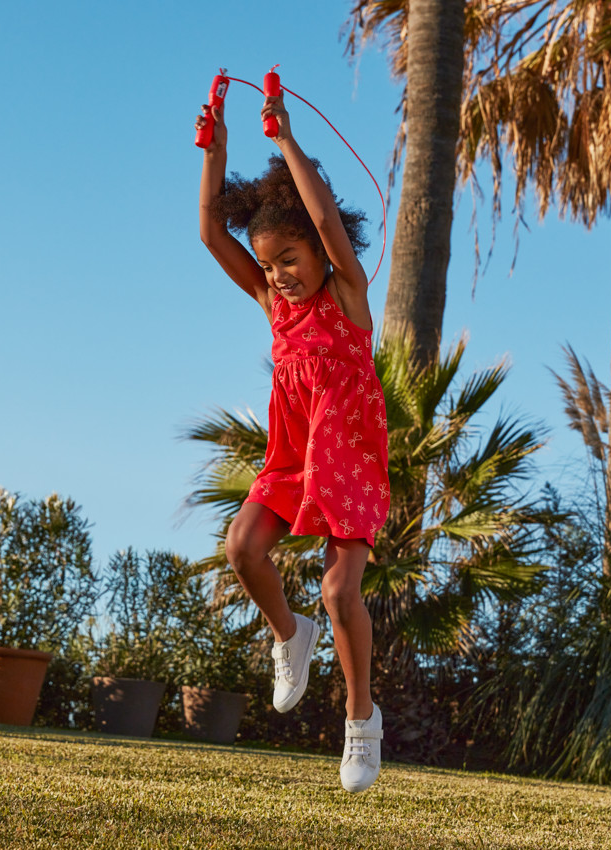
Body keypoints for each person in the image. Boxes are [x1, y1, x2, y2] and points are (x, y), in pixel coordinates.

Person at [195, 86, 390, 794]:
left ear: (318, 249)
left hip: (351, 463)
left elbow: (327, 218)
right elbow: (213, 236)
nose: (279, 272)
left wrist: (283, 140)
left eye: (290, 257)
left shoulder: (348, 296)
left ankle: (361, 719)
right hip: (291, 460)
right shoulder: (273, 307)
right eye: (270, 262)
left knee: (342, 593)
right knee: (242, 548)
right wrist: (215, 155)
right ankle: (289, 636)